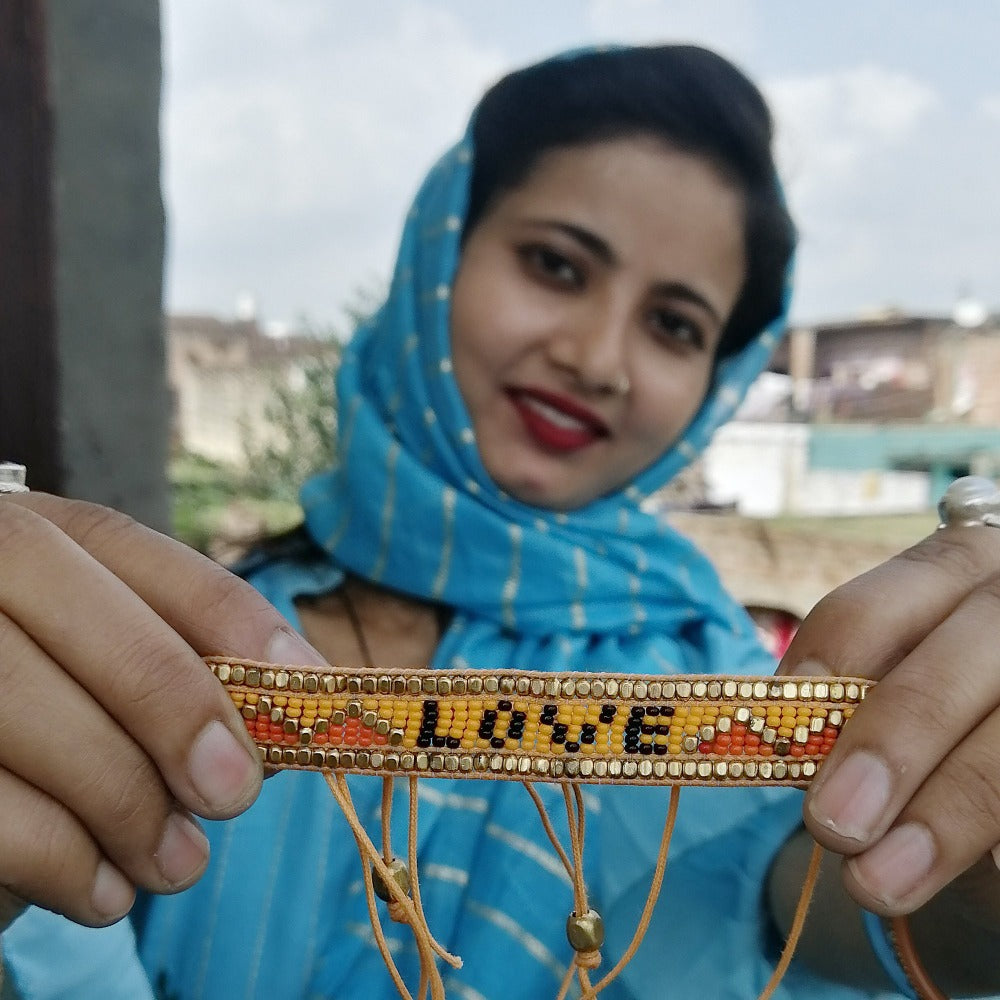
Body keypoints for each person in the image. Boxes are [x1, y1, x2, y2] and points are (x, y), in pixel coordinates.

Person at [1, 43, 999, 1000]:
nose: (599, 357)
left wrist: (971, 883)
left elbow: (805, 910)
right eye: (558, 265)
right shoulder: (172, 635)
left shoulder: (723, 683)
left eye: (673, 325)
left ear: (716, 381)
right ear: (441, 250)